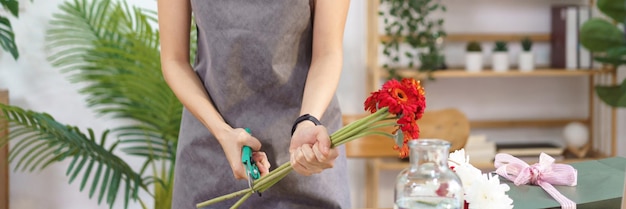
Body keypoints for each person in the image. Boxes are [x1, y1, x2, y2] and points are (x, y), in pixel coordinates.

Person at [157, 0, 351, 208]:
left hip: (304, 148)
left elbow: (327, 53)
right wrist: (222, 132)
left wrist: (307, 121)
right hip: (211, 149)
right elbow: (174, 60)